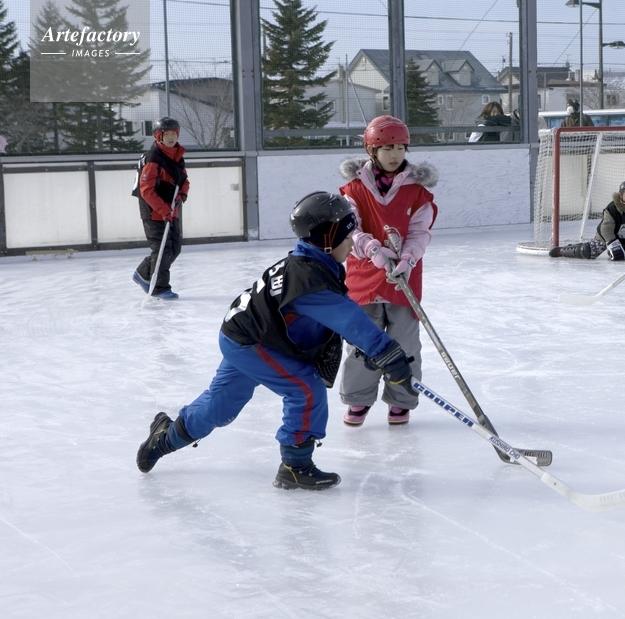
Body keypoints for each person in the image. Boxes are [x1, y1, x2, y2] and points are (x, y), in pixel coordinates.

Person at [135, 192, 416, 491]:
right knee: (305, 389)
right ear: (326, 239)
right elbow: (349, 318)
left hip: (245, 334)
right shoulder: (308, 280)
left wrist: (372, 351)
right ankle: (295, 466)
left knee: (220, 405)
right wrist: (388, 355)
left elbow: (333, 316)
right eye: (346, 238)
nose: (351, 245)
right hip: (252, 342)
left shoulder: (311, 263)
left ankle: (164, 439)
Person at [338, 116, 438, 427]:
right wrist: (371, 249)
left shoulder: (417, 191)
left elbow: (420, 232)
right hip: (364, 279)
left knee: (405, 344)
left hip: (403, 279)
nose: (394, 154)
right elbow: (350, 228)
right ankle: (358, 399)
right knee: (362, 343)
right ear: (372, 151)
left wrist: (408, 258)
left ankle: (401, 400)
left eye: (400, 148)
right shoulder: (354, 189)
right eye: (386, 148)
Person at [131, 117, 190, 299]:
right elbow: (146, 190)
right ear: (159, 136)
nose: (171, 138)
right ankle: (159, 288)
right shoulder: (154, 158)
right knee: (162, 249)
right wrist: (165, 210)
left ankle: (143, 272)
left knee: (174, 248)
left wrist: (182, 194)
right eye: (167, 134)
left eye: (174, 134)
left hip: (172, 210)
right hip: (154, 212)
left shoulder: (176, 156)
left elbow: (184, 181)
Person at [548, 179, 625, 260]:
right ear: (621, 195)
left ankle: (621, 249)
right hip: (606, 237)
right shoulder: (612, 208)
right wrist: (613, 245)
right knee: (587, 252)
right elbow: (606, 229)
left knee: (623, 256)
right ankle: (562, 251)